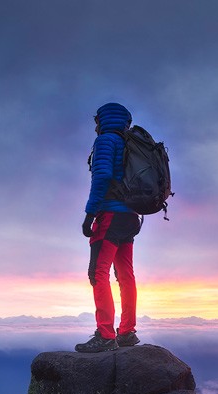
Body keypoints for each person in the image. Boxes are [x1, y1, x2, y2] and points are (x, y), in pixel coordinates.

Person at [75, 102, 142, 353]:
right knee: (126, 275)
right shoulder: (132, 144)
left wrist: (89, 215)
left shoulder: (106, 141)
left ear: (102, 120)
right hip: (131, 217)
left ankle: (105, 334)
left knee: (98, 273)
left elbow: (102, 176)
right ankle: (127, 332)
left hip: (110, 215)